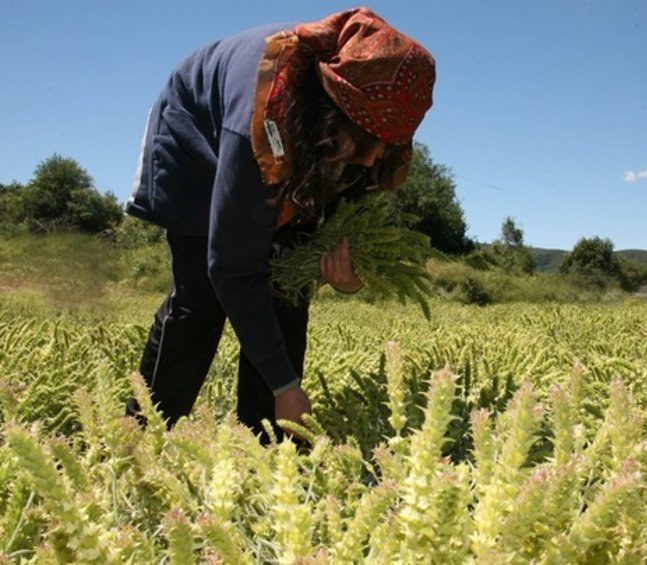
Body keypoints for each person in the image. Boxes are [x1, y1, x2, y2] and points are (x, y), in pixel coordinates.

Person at [124, 7, 436, 444]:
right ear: (332, 111)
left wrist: (349, 276)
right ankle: (139, 438)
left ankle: (268, 450)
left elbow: (344, 215)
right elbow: (231, 267)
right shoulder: (260, 120)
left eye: (385, 149)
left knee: (286, 291)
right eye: (365, 144)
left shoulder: (366, 119)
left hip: (290, 140)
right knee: (202, 298)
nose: (370, 159)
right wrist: (287, 388)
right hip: (195, 138)